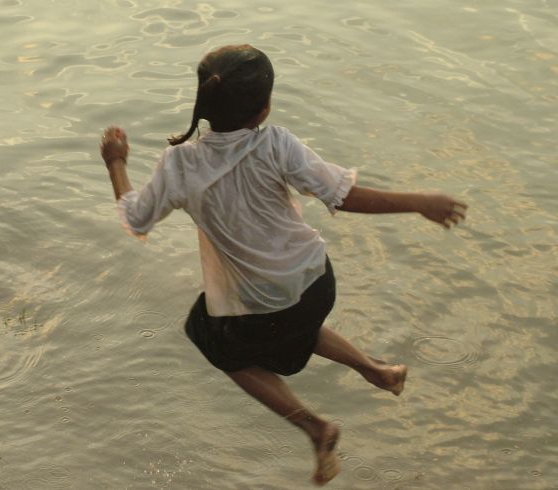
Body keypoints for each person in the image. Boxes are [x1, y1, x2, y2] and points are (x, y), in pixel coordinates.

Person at [99, 44, 467, 486]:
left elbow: (135, 217)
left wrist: (117, 162)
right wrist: (419, 202)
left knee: (216, 338)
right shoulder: (277, 144)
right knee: (289, 320)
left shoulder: (181, 165)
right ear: (264, 109)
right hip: (315, 281)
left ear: (204, 104)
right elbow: (344, 196)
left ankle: (316, 428)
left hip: (263, 304)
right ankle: (378, 371)